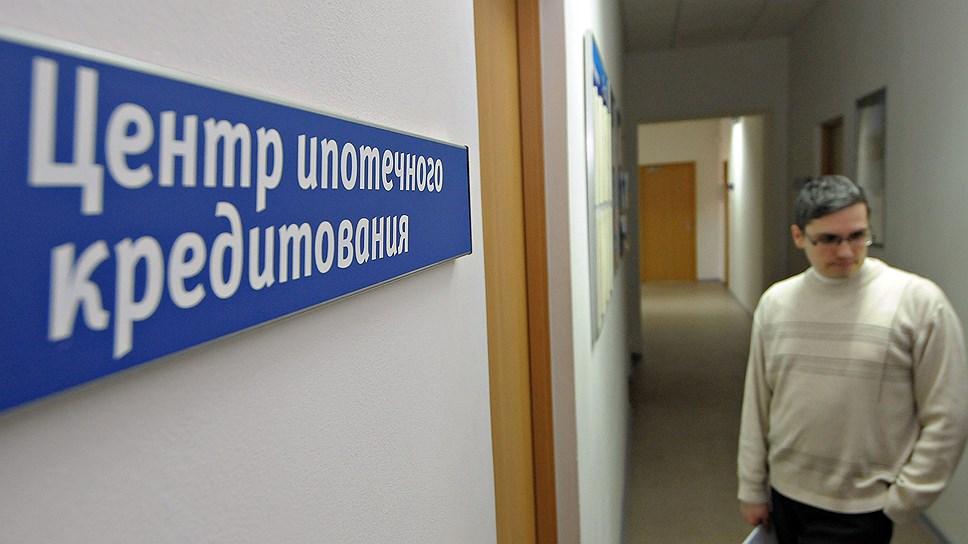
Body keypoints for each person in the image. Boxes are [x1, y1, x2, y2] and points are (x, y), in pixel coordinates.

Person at [736, 175, 968, 543]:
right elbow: (758, 404)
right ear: (799, 236)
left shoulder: (918, 302)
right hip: (786, 496)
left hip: (862, 507)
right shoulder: (776, 303)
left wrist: (908, 497)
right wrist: (751, 487)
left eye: (857, 236)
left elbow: (949, 411)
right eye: (829, 239)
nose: (846, 252)